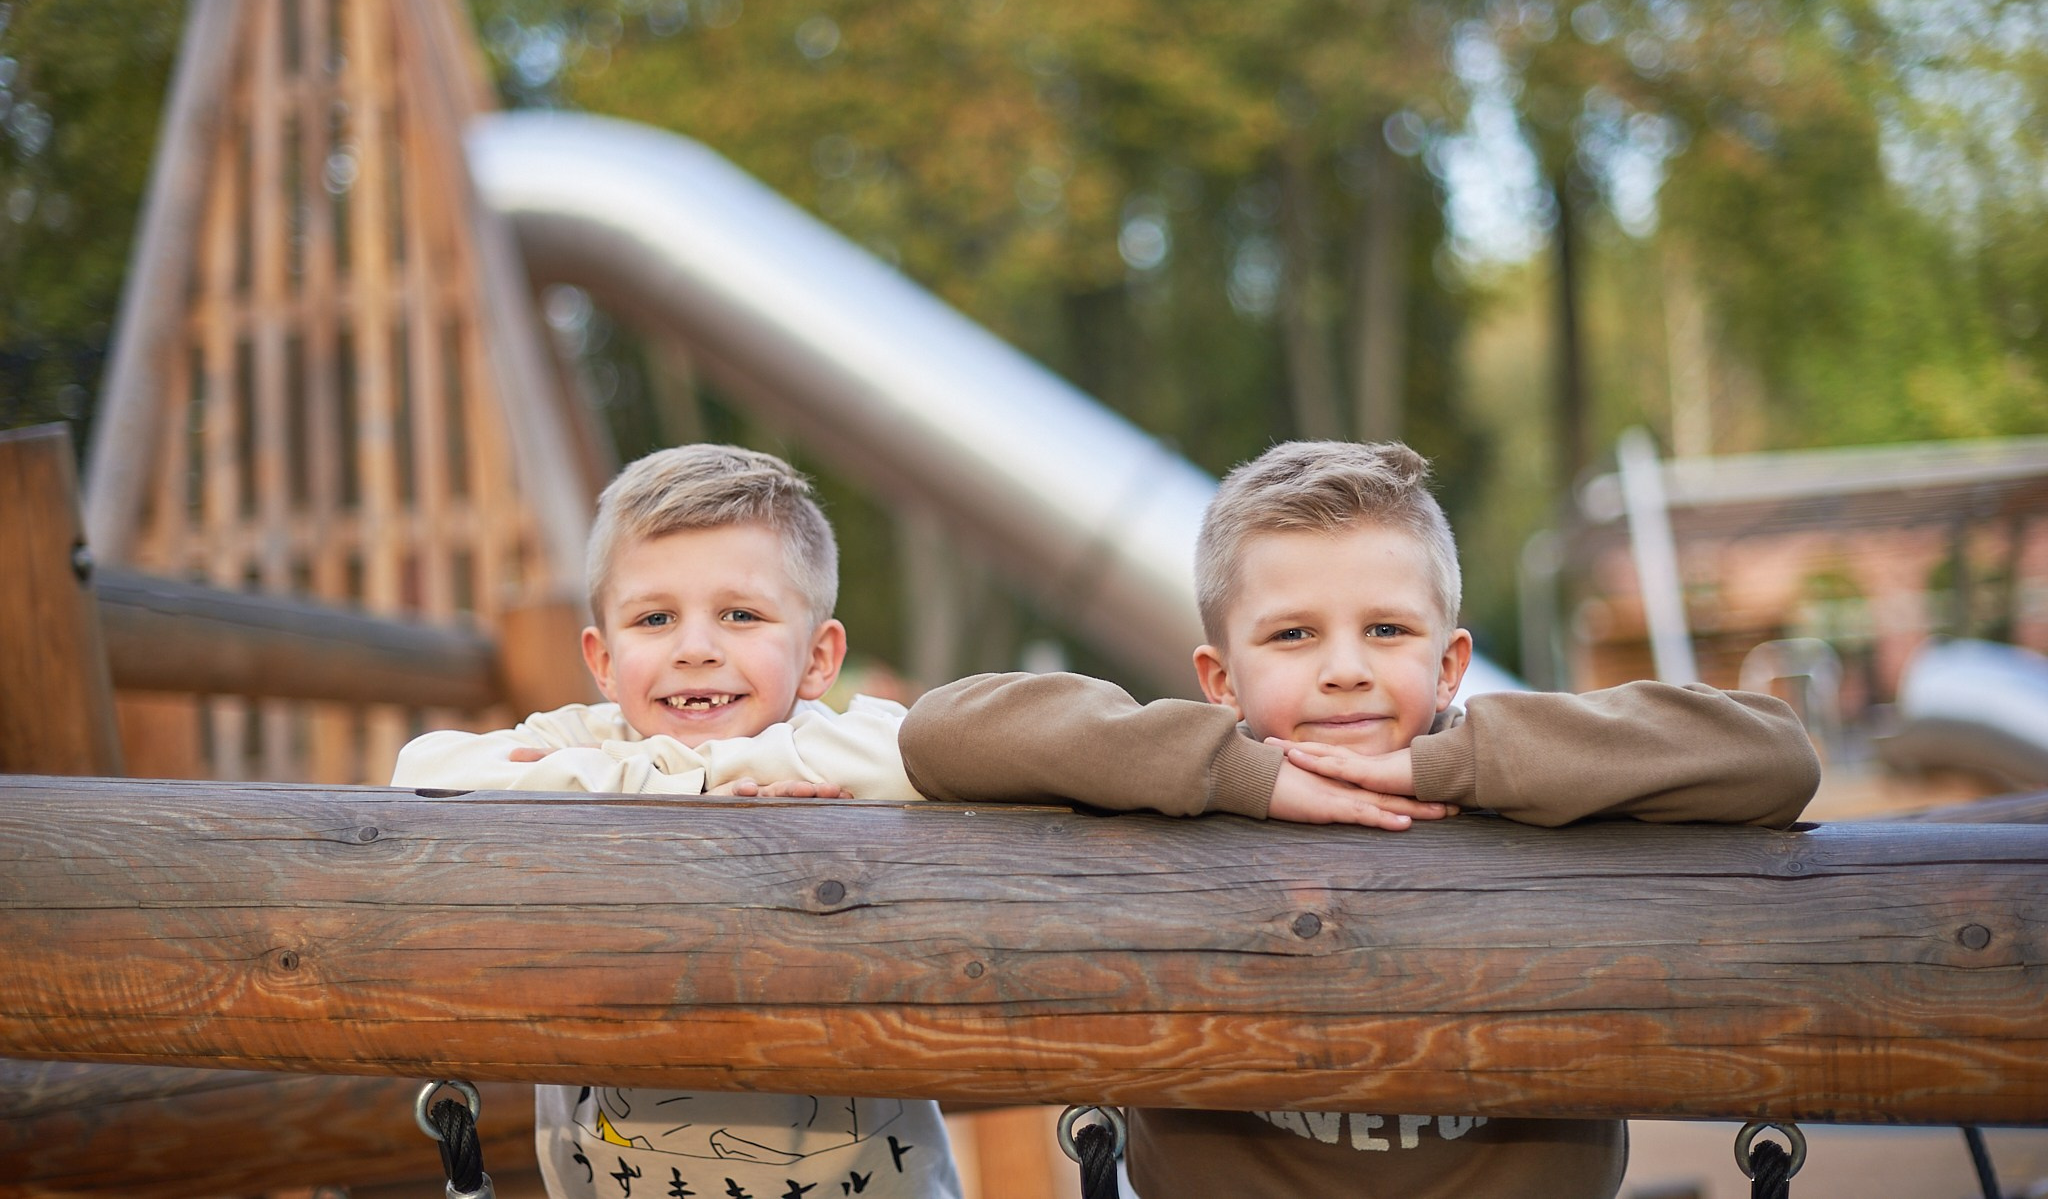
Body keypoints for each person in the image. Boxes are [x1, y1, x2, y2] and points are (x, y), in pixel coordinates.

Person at [898, 439, 1820, 1199]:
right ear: (1221, 680)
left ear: (1452, 662)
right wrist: (1238, 773)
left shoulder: (1537, 776)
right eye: (1294, 633)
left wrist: (1449, 766)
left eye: (1386, 629)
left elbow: (1776, 754)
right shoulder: (1187, 779)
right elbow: (943, 731)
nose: (1345, 668)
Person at [392, 443, 962, 1199]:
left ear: (820, 657)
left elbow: (919, 754)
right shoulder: (592, 737)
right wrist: (694, 786)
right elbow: (425, 770)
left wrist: (627, 789)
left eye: (741, 614)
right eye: (655, 617)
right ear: (603, 658)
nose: (696, 648)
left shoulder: (842, 736)